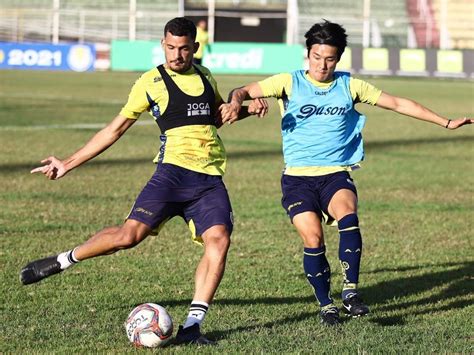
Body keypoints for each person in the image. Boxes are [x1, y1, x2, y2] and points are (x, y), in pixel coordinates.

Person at [20, 17, 267, 345]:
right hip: (171, 175)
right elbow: (114, 130)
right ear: (163, 45)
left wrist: (245, 109)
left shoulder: (206, 76)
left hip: (209, 178)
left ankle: (192, 327)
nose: (176, 55)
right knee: (127, 236)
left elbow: (212, 119)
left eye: (183, 48)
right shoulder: (151, 81)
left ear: (194, 47)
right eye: (170, 47)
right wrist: (68, 163)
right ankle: (64, 259)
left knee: (219, 241)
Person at [219, 20, 473, 326]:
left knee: (348, 215)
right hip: (298, 178)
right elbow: (242, 90)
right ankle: (326, 304)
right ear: (307, 54)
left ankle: (351, 291)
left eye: (329, 59)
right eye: (316, 57)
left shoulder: (349, 85)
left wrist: (444, 122)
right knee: (313, 239)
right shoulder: (289, 82)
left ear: (337, 59)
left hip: (335, 174)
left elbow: (396, 103)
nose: (321, 65)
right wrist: (237, 100)